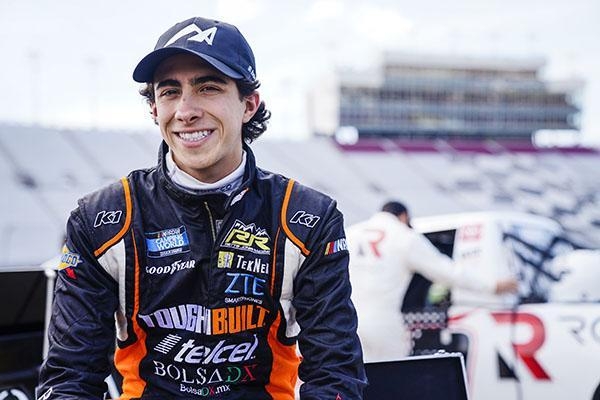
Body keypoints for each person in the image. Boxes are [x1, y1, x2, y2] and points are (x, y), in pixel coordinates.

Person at [36, 17, 366, 399]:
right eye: (169, 91)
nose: (185, 110)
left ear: (249, 104)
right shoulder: (101, 220)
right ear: (153, 109)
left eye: (208, 87)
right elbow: (68, 378)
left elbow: (335, 375)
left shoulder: (308, 218)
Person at [346, 201, 518, 362]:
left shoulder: (350, 233)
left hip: (347, 322)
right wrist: (492, 286)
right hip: (383, 324)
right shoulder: (405, 236)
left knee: (355, 379)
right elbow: (447, 271)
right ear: (404, 217)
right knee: (390, 378)